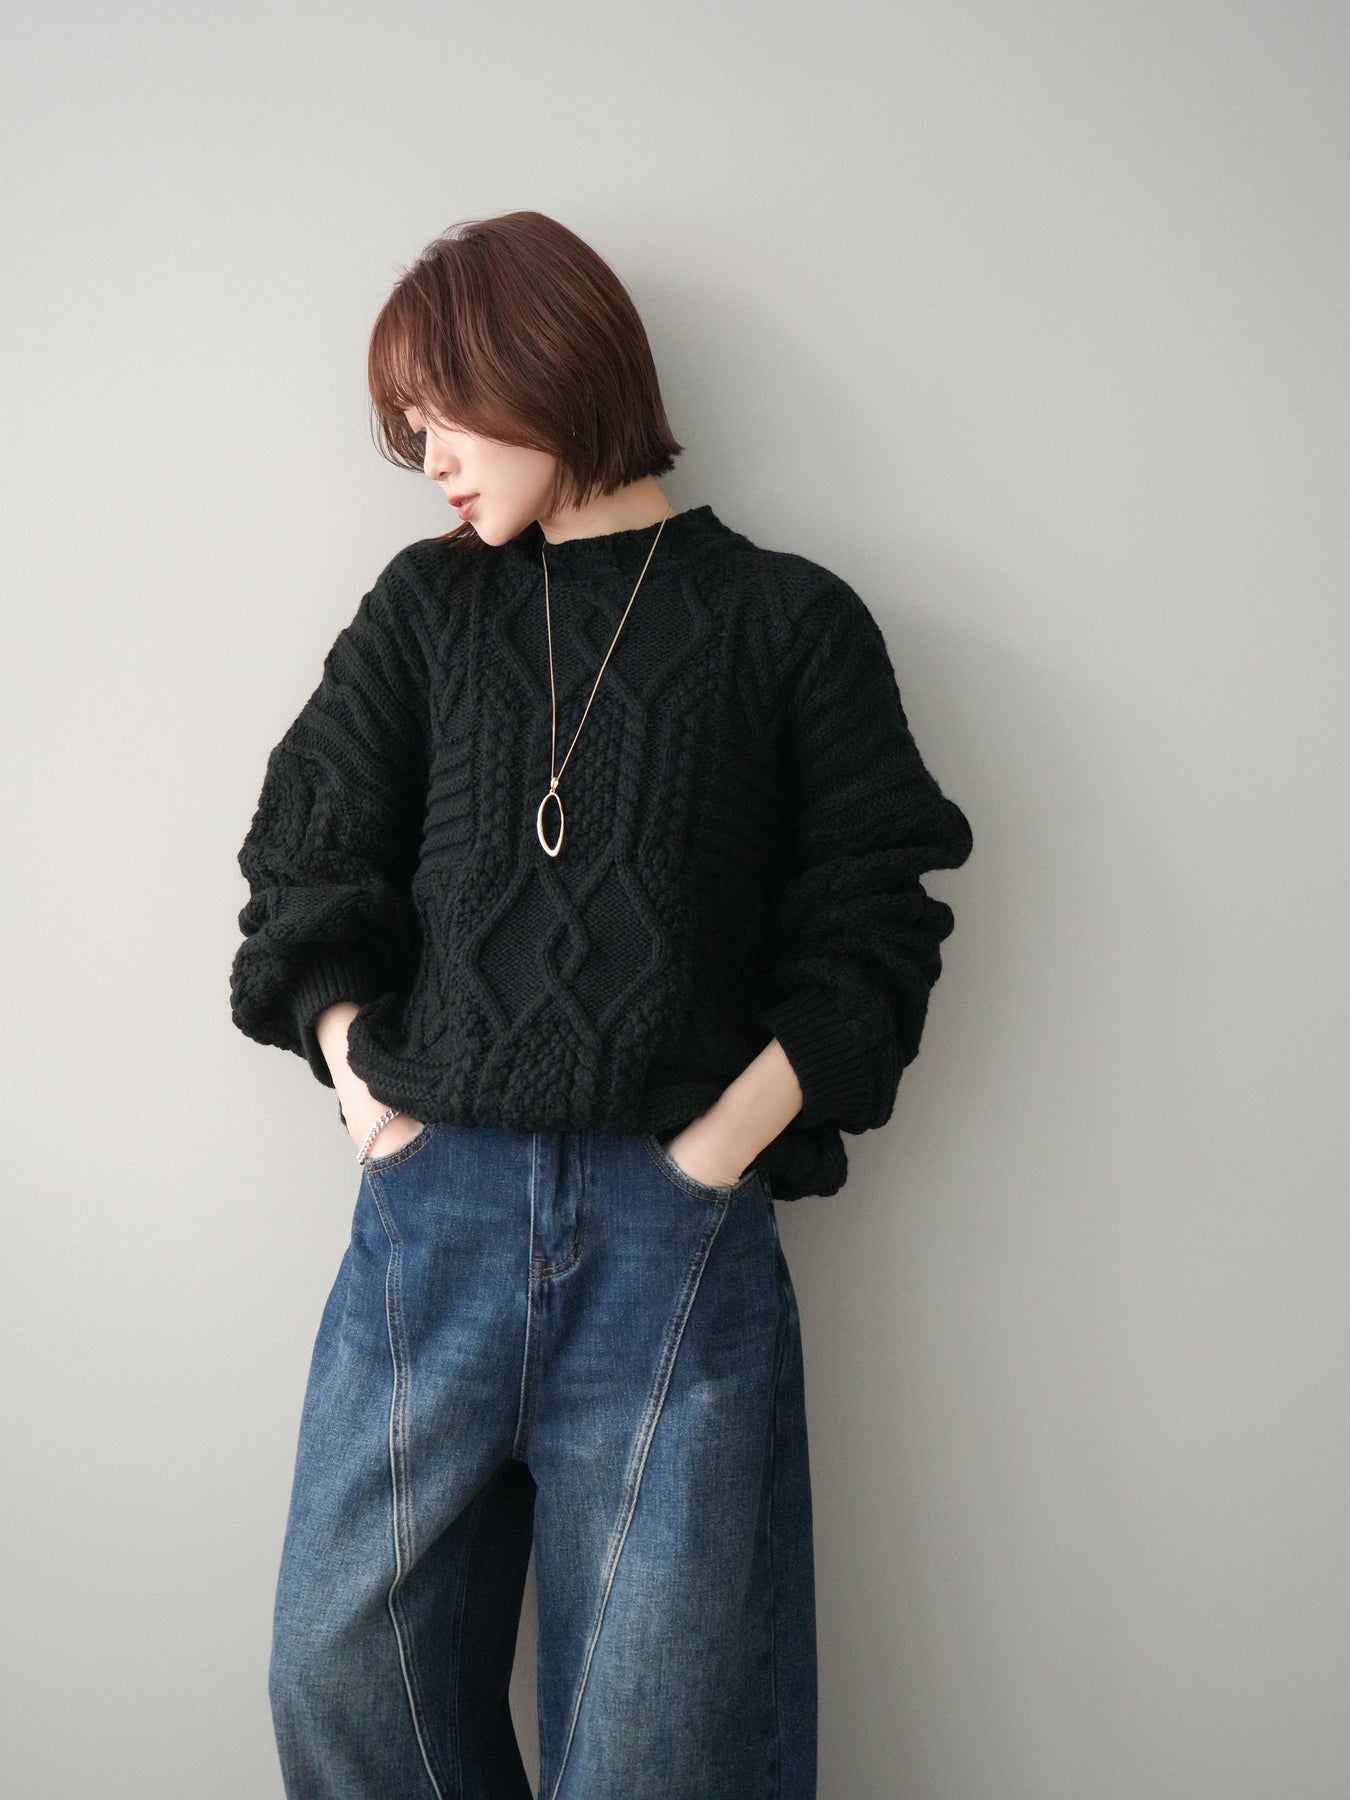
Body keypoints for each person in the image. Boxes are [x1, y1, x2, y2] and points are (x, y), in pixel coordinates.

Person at [229, 208, 973, 1800]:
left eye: (444, 409)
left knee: (653, 1738)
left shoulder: (788, 622)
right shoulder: (424, 612)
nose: (429, 457)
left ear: (548, 362)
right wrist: (366, 1090)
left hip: (668, 1234)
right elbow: (304, 861)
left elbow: (875, 914)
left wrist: (716, 1149)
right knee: (337, 1673)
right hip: (431, 1220)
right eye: (408, 426)